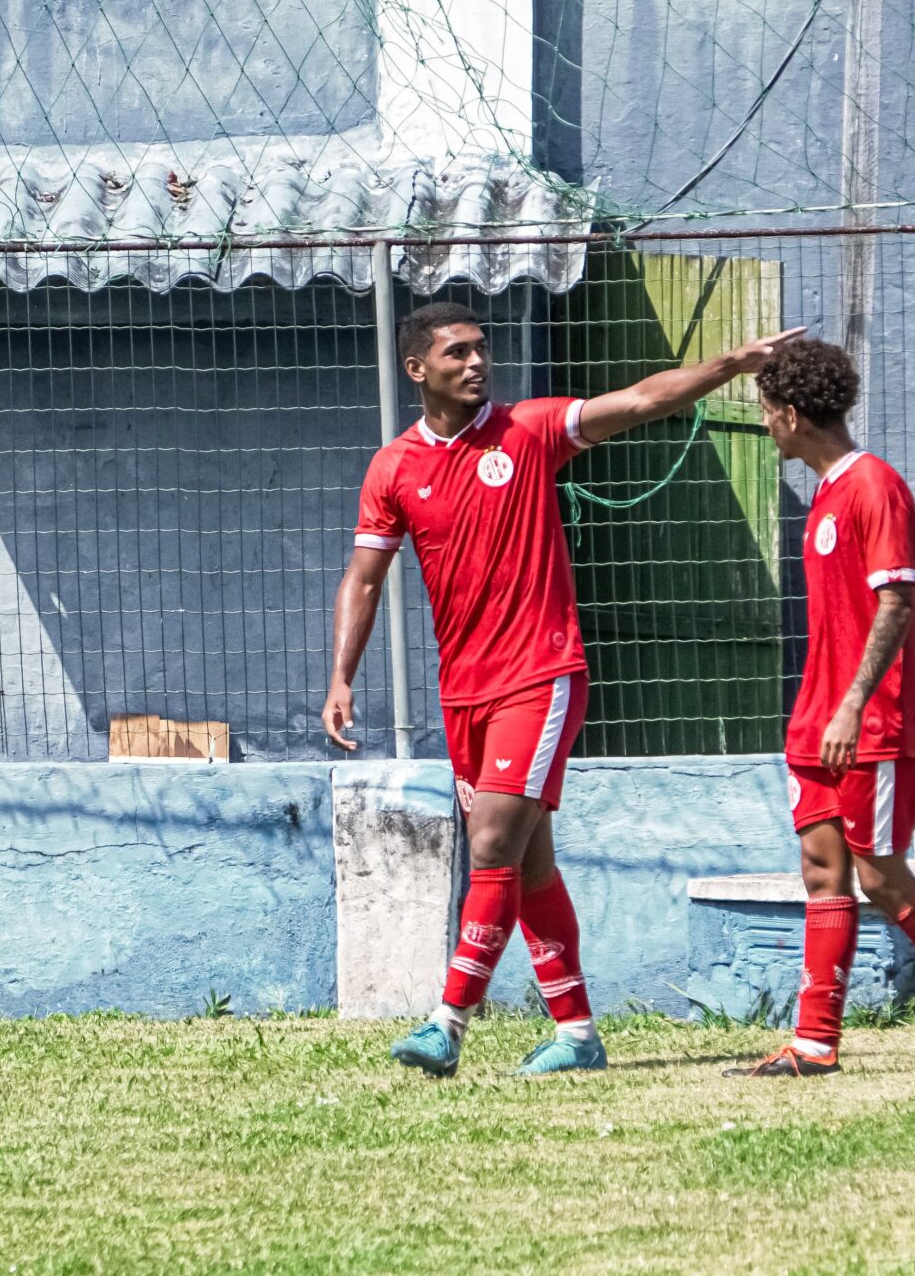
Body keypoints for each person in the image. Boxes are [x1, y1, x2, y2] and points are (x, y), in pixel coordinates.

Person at [323, 302, 803, 1076]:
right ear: (418, 369)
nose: (478, 363)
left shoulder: (531, 430)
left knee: (489, 846)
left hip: (540, 676)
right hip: (465, 693)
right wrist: (342, 675)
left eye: (483, 349)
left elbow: (643, 400)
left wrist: (730, 366)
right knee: (529, 867)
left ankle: (448, 1024)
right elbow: (365, 577)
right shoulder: (393, 468)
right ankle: (578, 1036)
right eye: (458, 353)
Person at [723, 338, 915, 1078]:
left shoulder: (872, 485)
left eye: (767, 414)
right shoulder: (827, 491)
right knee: (822, 872)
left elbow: (897, 600)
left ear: (792, 414)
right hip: (818, 718)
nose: (766, 428)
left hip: (870, 720)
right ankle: (814, 1044)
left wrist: (853, 706)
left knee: (881, 877)